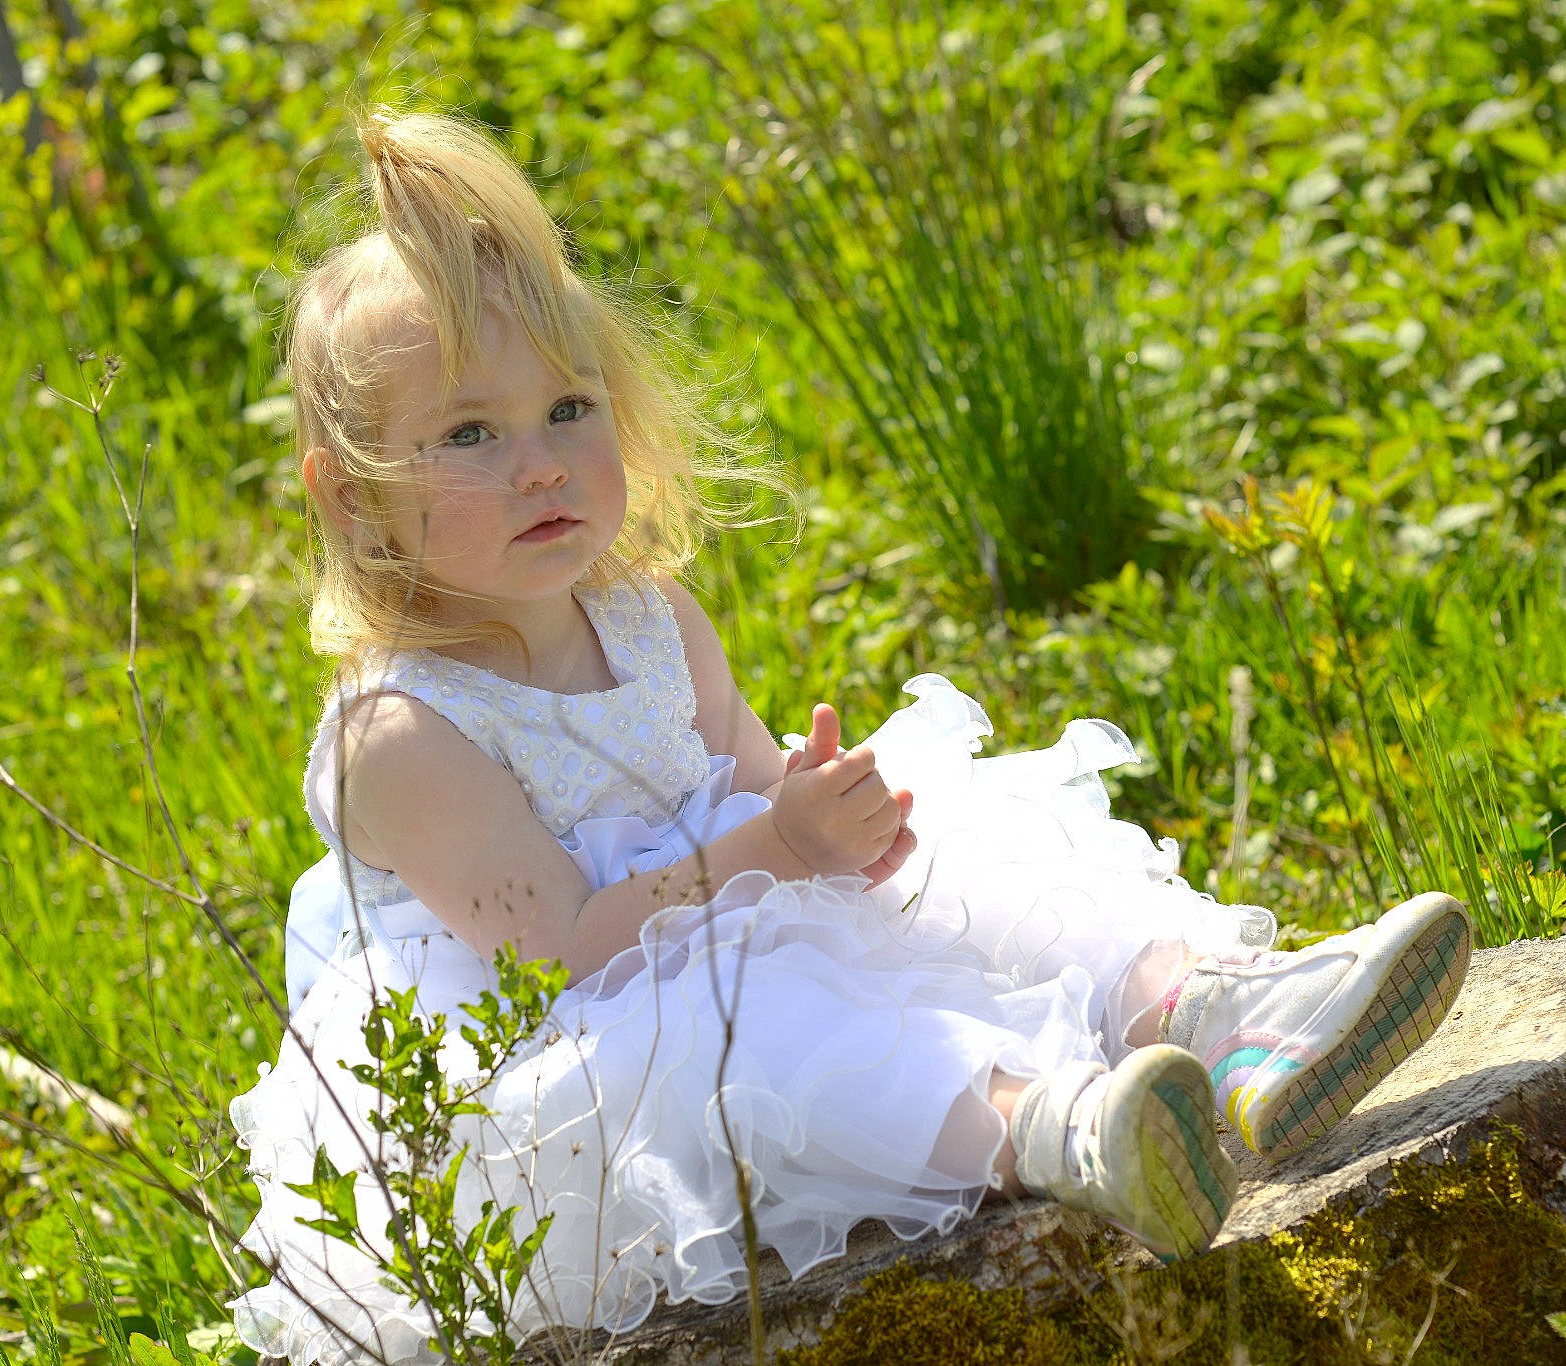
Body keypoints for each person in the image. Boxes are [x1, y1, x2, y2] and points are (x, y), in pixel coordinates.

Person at [226, 105, 1475, 1364]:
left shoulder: (647, 617)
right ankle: (1063, 1131)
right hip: (565, 1058)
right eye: (467, 435)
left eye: (566, 407)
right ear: (353, 489)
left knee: (968, 841)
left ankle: (1213, 1015)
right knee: (760, 1025)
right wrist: (780, 840)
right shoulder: (401, 731)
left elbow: (759, 787)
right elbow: (561, 962)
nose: (540, 466)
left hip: (722, 916)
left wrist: (843, 826)